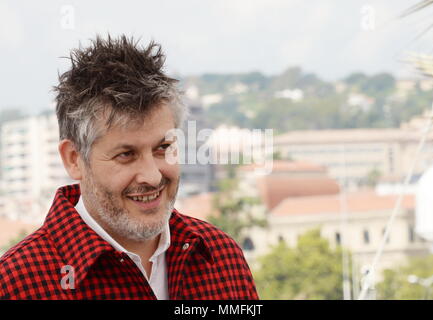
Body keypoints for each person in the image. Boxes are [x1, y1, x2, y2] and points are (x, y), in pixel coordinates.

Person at [0, 35, 259, 300]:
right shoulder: (16, 286)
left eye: (163, 148)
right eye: (126, 154)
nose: (152, 176)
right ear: (74, 159)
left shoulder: (222, 259)